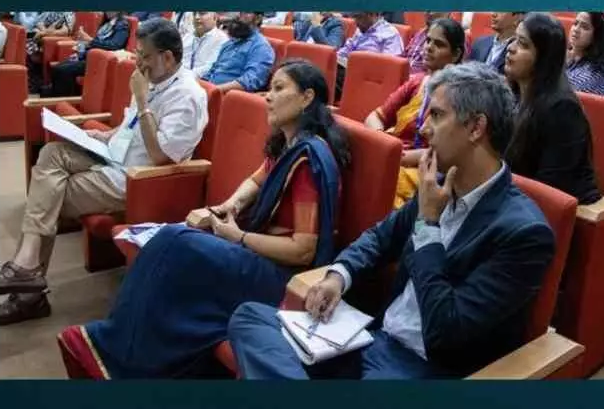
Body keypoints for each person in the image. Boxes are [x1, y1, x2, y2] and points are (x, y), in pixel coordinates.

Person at [228, 62, 552, 379]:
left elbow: (446, 328)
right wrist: (339, 276)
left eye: (437, 115)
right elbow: (379, 239)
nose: (423, 129)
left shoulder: (524, 233)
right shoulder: (439, 185)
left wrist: (428, 225)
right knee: (250, 318)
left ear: (476, 128)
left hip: (420, 367)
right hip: (372, 339)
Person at [57, 60, 348, 378]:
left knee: (176, 243)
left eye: (279, 88)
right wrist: (229, 205)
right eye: (270, 87)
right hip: (258, 253)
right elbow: (255, 181)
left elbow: (303, 250)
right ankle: (124, 349)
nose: (267, 95)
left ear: (307, 98)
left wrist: (237, 236)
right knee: (169, 239)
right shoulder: (287, 146)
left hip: (284, 278)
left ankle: (115, 353)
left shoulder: (308, 161)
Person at [0, 19, 207, 326]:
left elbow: (160, 156)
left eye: (145, 56)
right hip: (114, 155)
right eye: (137, 53)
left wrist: (142, 101)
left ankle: (28, 290)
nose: (138, 62)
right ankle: (27, 266)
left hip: (137, 179)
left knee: (49, 195)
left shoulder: (188, 96)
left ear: (167, 57)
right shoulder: (154, 77)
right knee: (52, 153)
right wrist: (105, 134)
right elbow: (131, 127)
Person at [366, 18, 465, 206]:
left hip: (428, 169)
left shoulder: (460, 95)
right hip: (393, 155)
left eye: (439, 44)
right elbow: (375, 116)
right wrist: (382, 142)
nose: (429, 47)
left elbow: (450, 152)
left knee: (380, 182)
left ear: (456, 54)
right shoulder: (416, 82)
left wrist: (396, 156)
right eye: (428, 41)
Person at [503, 14, 601, 205]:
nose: (511, 48)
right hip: (516, 197)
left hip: (550, 211)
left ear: (543, 58)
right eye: (514, 39)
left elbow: (550, 188)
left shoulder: (562, 110)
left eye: (523, 44)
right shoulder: (512, 94)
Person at [44, 12, 131, 97]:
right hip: (91, 57)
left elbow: (114, 45)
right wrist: (81, 54)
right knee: (57, 68)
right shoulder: (106, 24)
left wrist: (89, 40)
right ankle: (57, 97)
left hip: (101, 61)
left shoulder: (122, 24)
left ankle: (64, 99)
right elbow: (96, 45)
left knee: (62, 70)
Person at [202, 13, 276, 93]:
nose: (239, 16)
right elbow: (212, 71)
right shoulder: (229, 43)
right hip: (209, 92)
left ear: (258, 19)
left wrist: (214, 90)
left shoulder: (261, 47)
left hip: (227, 95)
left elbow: (249, 81)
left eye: (245, 12)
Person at [565, 12, 604, 98]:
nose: (576, 29)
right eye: (575, 23)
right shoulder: (562, 55)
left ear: (597, 36)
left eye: (584, 27)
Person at [337, 12, 406, 71]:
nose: (356, 23)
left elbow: (389, 66)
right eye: (354, 17)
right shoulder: (361, 29)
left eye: (359, 17)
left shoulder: (390, 34)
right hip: (349, 69)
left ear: (372, 14)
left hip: (368, 75)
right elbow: (345, 51)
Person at [183, 11, 229, 77]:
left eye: (202, 13)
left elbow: (210, 68)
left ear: (215, 17)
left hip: (201, 80)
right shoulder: (187, 36)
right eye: (194, 14)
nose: (196, 17)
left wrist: (185, 76)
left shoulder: (222, 39)